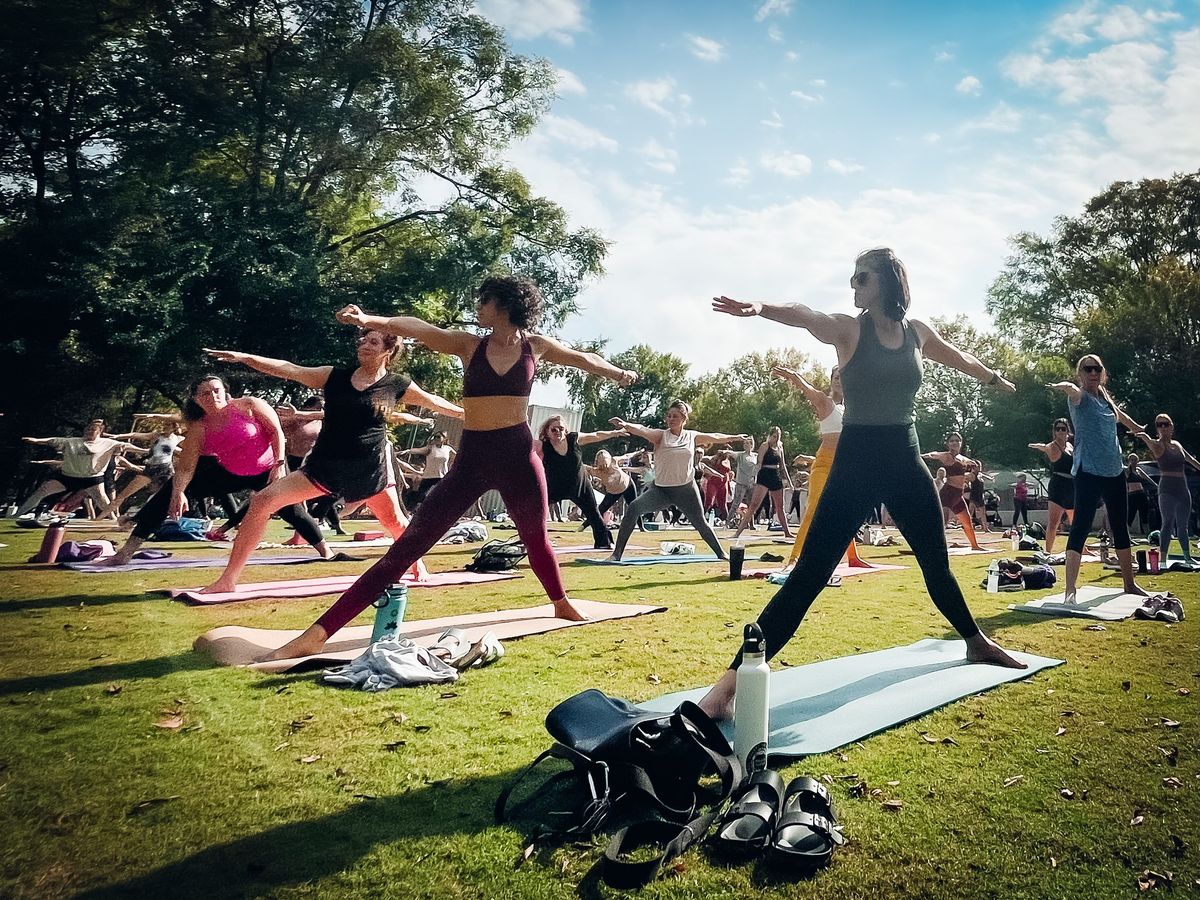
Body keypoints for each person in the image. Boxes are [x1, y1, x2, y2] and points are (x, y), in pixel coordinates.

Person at [699, 247, 1026, 720]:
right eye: (852, 279)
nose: (853, 286)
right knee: (809, 576)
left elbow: (960, 359)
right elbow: (806, 314)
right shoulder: (850, 330)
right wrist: (761, 309)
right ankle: (725, 690)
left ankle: (976, 642)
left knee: (937, 564)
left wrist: (993, 378)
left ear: (889, 282)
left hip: (905, 461)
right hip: (856, 463)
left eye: (862, 278)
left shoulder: (918, 333)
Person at [262, 276, 637, 661]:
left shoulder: (535, 346)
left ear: (504, 304)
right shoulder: (468, 344)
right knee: (407, 548)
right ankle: (319, 633)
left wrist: (617, 373)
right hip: (472, 459)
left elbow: (582, 358)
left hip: (519, 456)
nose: (477, 307)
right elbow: (418, 328)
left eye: (484, 300)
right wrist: (369, 320)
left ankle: (560, 602)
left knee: (536, 537)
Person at [194, 332, 463, 593]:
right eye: (363, 340)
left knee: (395, 523)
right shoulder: (334, 376)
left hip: (369, 469)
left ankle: (416, 562)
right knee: (262, 501)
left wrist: (466, 414)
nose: (364, 345)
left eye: (373, 341)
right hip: (325, 466)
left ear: (388, 350)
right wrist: (245, 357)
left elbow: (435, 401)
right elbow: (290, 369)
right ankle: (228, 579)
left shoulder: (397, 384)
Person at [101, 376, 328, 566]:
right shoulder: (199, 428)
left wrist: (279, 465)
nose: (212, 397)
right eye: (205, 394)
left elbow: (276, 431)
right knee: (169, 493)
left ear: (225, 392)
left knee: (291, 510)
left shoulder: (249, 405)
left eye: (216, 391)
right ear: (196, 400)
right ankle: (125, 553)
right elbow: (186, 467)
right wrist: (179, 492)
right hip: (230, 472)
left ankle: (325, 552)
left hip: (267, 469)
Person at [1047, 354, 1148, 603]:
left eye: (1096, 369)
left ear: (1102, 372)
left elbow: (1120, 416)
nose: (1092, 373)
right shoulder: (1081, 398)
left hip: (1114, 470)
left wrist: (1137, 428)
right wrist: (1066, 387)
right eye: (1087, 369)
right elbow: (1073, 392)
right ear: (1080, 373)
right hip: (1088, 472)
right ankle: (1070, 589)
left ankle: (1129, 584)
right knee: (1080, 526)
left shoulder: (1104, 397)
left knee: (1120, 526)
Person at [605, 401, 745, 561]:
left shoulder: (692, 436)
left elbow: (715, 436)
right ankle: (616, 555)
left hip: (686, 490)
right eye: (669, 416)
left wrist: (734, 437)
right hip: (661, 490)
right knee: (634, 508)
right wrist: (625, 425)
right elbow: (643, 430)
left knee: (700, 523)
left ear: (684, 419)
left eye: (675, 416)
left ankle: (721, 553)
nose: (671, 419)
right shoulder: (661, 436)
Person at [773, 365, 865, 568]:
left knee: (847, 512)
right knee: (813, 509)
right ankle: (794, 559)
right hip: (824, 463)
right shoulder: (825, 402)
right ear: (831, 380)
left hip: (845, 466)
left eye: (844, 377)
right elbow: (806, 388)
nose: (840, 380)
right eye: (836, 377)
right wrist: (792, 375)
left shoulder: (852, 409)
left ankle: (853, 557)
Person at [15, 420, 140, 518]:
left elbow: (126, 445)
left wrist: (143, 450)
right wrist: (36, 440)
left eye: (93, 429)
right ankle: (18, 514)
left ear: (100, 432)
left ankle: (113, 520)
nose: (89, 431)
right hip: (68, 476)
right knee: (42, 490)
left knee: (103, 502)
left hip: (92, 479)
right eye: (88, 429)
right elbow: (52, 440)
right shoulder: (72, 441)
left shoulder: (108, 443)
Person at [536, 416, 625, 550]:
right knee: (536, 510)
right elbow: (525, 449)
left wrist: (615, 433)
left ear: (565, 430)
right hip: (555, 487)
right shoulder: (543, 446)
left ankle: (604, 542)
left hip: (580, 486)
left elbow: (596, 435)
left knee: (594, 513)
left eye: (561, 429)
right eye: (554, 430)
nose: (558, 432)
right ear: (547, 432)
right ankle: (533, 540)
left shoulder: (573, 439)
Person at [1135, 413, 1199, 566]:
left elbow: (1191, 460)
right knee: (1167, 522)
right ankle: (1162, 559)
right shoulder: (1157, 444)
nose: (1163, 427)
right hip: (1166, 489)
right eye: (1159, 425)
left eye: (1165, 424)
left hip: (1182, 488)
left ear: (1171, 427)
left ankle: (1187, 556)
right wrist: (1142, 435)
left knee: (1183, 525)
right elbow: (1147, 440)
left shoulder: (1177, 445)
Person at [921, 433, 986, 550]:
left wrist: (972, 473)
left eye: (957, 440)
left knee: (967, 522)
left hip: (958, 495)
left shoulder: (964, 459)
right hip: (948, 493)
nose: (954, 443)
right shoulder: (946, 456)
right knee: (942, 522)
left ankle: (975, 545)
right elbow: (932, 454)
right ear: (947, 443)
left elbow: (976, 467)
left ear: (960, 443)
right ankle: (931, 546)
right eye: (952, 441)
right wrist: (919, 456)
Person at [730, 427, 794, 540]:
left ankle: (787, 532)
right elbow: (759, 463)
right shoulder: (765, 446)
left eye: (778, 435)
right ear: (770, 435)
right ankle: (738, 533)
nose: (776, 438)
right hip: (764, 475)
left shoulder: (780, 447)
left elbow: (783, 466)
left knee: (780, 507)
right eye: (774, 435)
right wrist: (752, 476)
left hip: (776, 475)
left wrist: (789, 482)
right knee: (754, 505)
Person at [1027, 419, 1074, 552]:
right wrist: (1038, 446)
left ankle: (1080, 548)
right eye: (1057, 429)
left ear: (1067, 431)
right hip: (1058, 485)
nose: (1060, 431)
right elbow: (1045, 447)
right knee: (1054, 522)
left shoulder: (1070, 446)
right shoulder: (1053, 446)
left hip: (1072, 485)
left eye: (1063, 429)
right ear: (1054, 431)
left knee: (1075, 522)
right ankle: (1048, 551)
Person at [588, 449, 645, 531]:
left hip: (627, 485)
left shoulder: (613, 460)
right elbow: (585, 468)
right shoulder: (596, 471)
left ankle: (641, 527)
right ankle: (583, 526)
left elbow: (626, 456)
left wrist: (637, 452)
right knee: (601, 509)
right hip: (614, 490)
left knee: (634, 505)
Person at [400, 432, 457, 507]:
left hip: (441, 476)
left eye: (438, 437)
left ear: (444, 439)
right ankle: (413, 510)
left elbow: (457, 457)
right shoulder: (430, 448)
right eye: (435, 437)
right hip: (428, 476)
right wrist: (408, 451)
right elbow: (418, 450)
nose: (436, 439)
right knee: (422, 495)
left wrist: (453, 468)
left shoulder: (448, 449)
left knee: (443, 495)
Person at [720, 436, 759, 529]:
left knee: (751, 504)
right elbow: (731, 453)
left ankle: (752, 524)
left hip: (751, 483)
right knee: (736, 503)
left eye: (747, 443)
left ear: (751, 445)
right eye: (744, 443)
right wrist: (724, 451)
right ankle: (727, 522)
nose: (745, 445)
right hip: (741, 482)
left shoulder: (755, 456)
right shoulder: (740, 455)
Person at [1123, 453, 1154, 536]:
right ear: (1129, 461)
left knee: (1144, 514)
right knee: (1131, 514)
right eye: (1132, 460)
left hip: (1141, 494)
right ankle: (1126, 534)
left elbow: (1147, 478)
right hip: (1132, 495)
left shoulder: (1138, 470)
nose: (1133, 462)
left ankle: (1148, 534)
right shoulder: (1127, 470)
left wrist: (1157, 485)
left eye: (1135, 460)